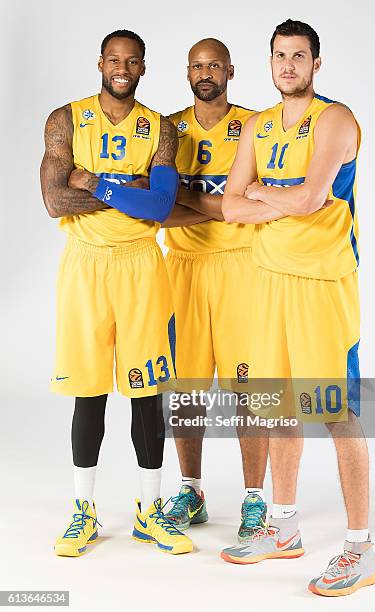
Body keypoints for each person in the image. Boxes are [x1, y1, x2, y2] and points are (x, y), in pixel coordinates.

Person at [220, 19, 375, 597]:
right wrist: (269, 199)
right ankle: (283, 528)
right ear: (269, 62)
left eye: (299, 56)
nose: (288, 65)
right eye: (280, 56)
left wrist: (262, 193)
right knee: (276, 408)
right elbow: (228, 210)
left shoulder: (335, 119)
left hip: (321, 284)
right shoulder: (258, 126)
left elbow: (313, 198)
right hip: (267, 282)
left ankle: (360, 548)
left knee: (336, 413)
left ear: (317, 63)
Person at [40, 29, 192, 556]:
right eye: (114, 60)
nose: (121, 68)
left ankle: (149, 512)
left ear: (144, 67)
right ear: (101, 63)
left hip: (141, 267)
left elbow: (160, 208)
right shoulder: (65, 119)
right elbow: (55, 202)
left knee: (147, 389)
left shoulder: (162, 129)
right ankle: (83, 510)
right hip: (85, 266)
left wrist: (98, 184)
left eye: (132, 61)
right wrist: (131, 192)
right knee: (89, 388)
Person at [162, 38, 268, 542]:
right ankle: (191, 490)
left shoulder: (253, 125)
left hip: (240, 265)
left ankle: (254, 498)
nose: (206, 73)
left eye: (214, 65)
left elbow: (251, 203)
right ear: (187, 73)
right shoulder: (167, 128)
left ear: (230, 70)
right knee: (185, 389)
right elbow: (159, 207)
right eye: (197, 66)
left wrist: (194, 201)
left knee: (248, 389)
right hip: (182, 265)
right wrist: (218, 204)